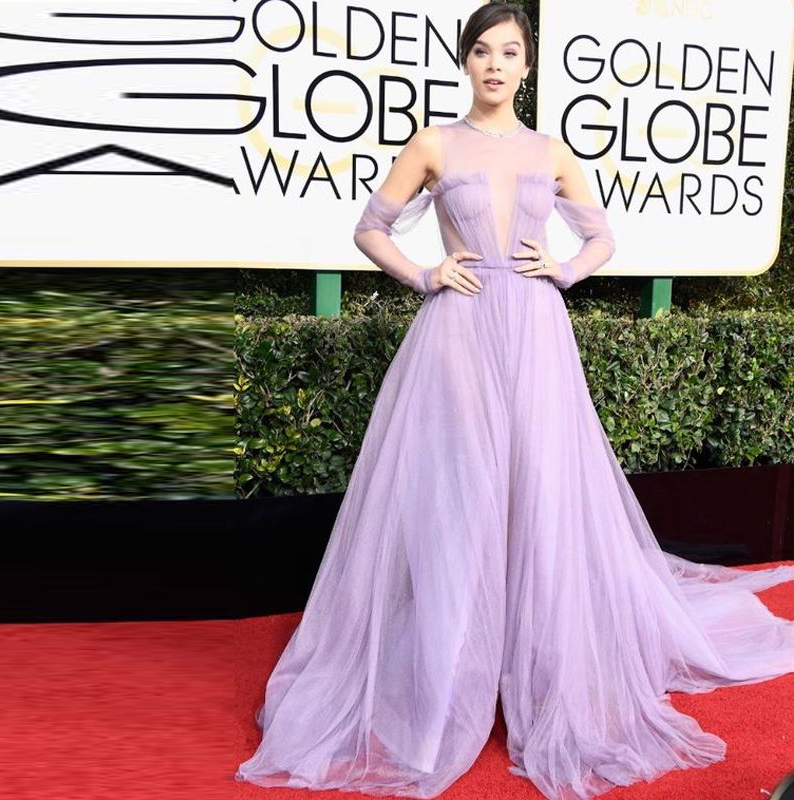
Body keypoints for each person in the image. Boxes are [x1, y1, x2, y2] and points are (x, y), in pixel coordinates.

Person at [235, 3, 794, 799]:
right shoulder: (433, 143)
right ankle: (452, 669)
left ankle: (537, 661)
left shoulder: (551, 150)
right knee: (465, 493)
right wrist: (424, 273)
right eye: (482, 51)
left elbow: (602, 238)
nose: (494, 64)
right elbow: (371, 227)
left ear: (527, 66)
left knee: (537, 489)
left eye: (509, 52)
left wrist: (563, 270)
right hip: (458, 332)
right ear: (466, 62)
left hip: (536, 333)